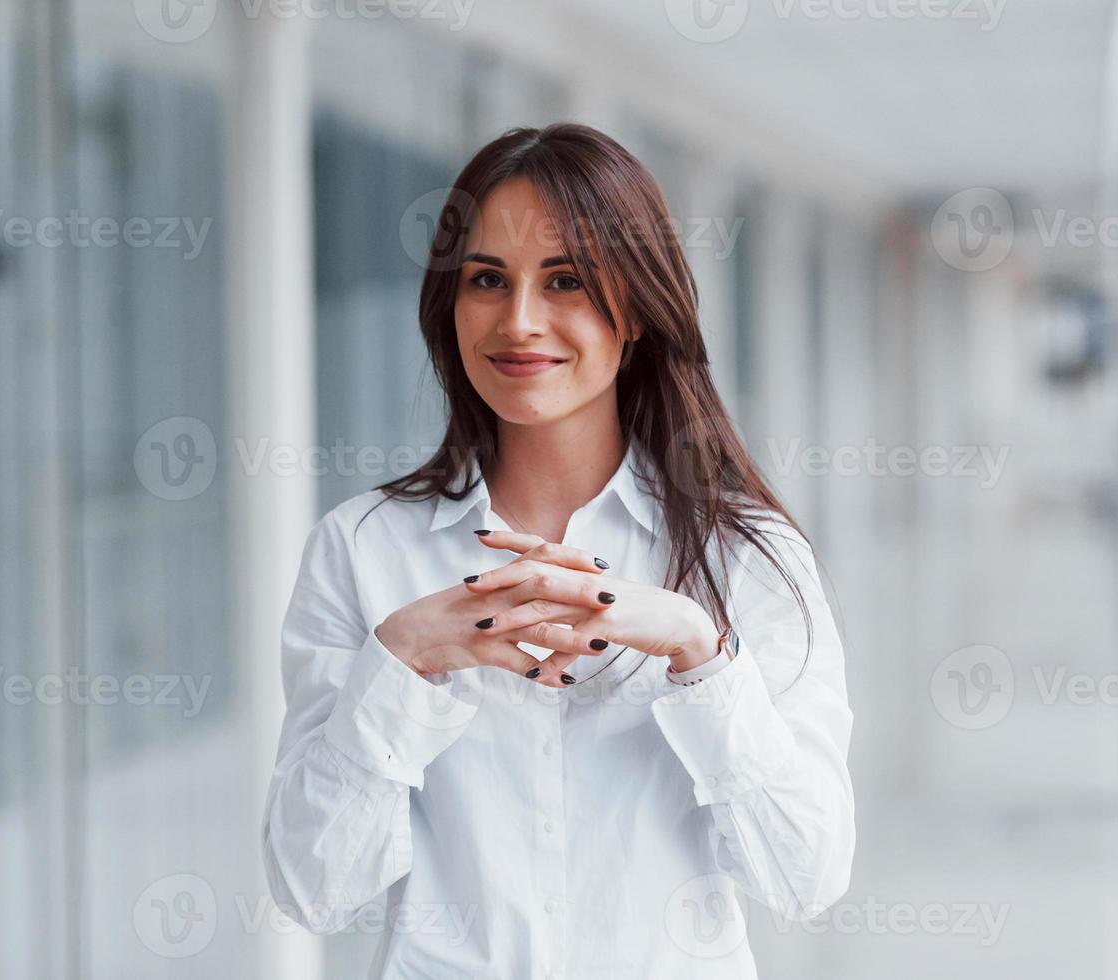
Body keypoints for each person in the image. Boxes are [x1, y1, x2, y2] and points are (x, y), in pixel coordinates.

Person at [261, 122, 854, 978]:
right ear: (448, 305)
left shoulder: (745, 555)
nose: (520, 321)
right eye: (487, 280)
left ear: (639, 309)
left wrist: (699, 653)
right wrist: (402, 661)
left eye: (567, 279)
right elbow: (311, 890)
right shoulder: (362, 550)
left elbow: (807, 876)